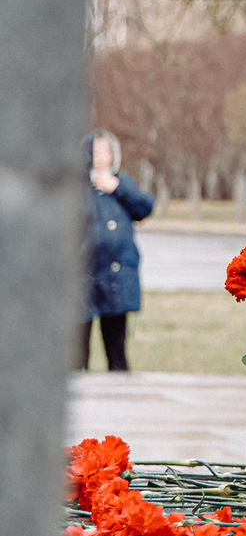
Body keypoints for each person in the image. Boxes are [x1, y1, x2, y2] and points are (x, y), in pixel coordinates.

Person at [80, 130, 153, 371]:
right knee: (78, 352)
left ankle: (121, 403)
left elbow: (144, 208)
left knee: (116, 351)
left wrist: (117, 187)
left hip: (116, 279)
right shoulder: (77, 188)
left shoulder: (122, 183)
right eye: (95, 152)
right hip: (85, 280)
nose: (101, 157)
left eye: (106, 151)